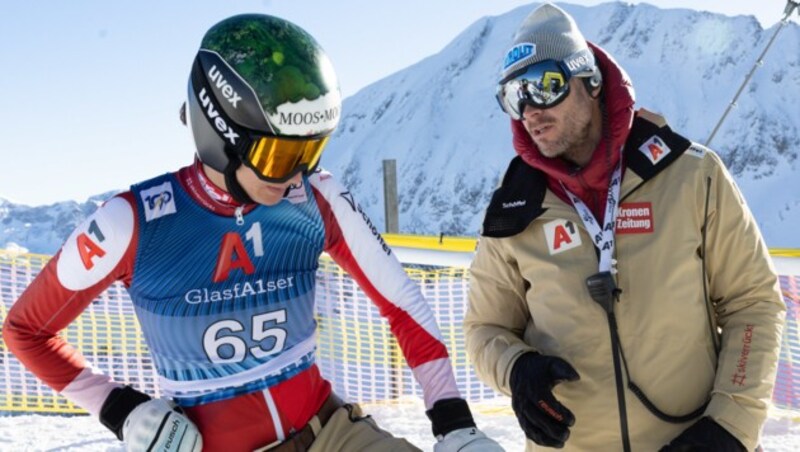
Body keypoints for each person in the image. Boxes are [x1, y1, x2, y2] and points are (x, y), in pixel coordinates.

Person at [2, 14, 504, 452]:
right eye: (279, 156)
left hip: (328, 433)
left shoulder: (317, 198)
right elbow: (25, 330)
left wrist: (452, 421)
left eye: (309, 153)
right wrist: (119, 407)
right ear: (221, 136)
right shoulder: (131, 222)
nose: (293, 177)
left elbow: (403, 304)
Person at [464, 3, 785, 451]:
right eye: (515, 96)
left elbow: (753, 303)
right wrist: (516, 369)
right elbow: (484, 329)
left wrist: (730, 426)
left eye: (545, 86)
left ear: (589, 81)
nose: (530, 110)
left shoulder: (692, 175)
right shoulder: (514, 210)